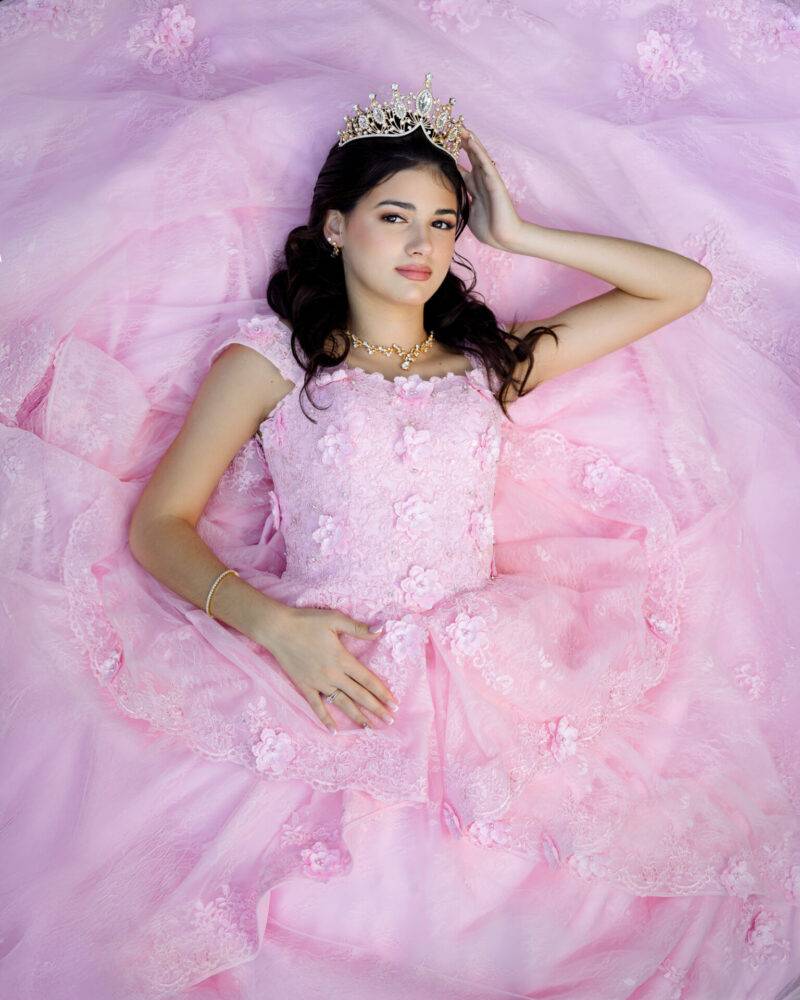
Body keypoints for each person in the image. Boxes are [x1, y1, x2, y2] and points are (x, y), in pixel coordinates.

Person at [2, 70, 799, 1000]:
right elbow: (158, 524)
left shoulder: (489, 364)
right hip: (321, 664)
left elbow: (681, 287)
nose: (424, 244)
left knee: (514, 907)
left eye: (443, 223)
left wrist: (520, 232)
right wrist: (272, 625)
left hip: (487, 674)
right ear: (336, 227)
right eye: (394, 217)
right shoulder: (271, 360)